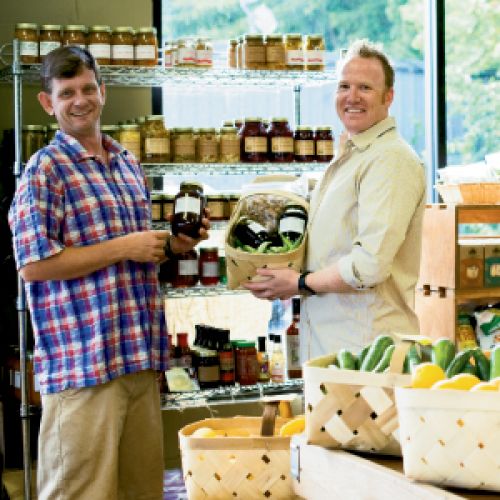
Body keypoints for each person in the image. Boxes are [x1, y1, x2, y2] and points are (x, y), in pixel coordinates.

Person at [8, 46, 209, 500]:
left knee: (142, 491)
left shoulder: (127, 163)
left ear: (103, 90)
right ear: (48, 103)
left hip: (138, 358)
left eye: (87, 89)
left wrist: (174, 245)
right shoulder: (44, 171)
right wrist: (123, 247)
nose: (80, 100)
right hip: (82, 368)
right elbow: (33, 265)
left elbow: (136, 254)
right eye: (66, 93)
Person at [244, 39, 426, 361]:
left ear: (388, 97)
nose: (352, 97)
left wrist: (299, 283)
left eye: (365, 87)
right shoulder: (353, 154)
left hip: (368, 353)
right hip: (337, 350)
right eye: (344, 86)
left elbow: (369, 266)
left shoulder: (390, 160)